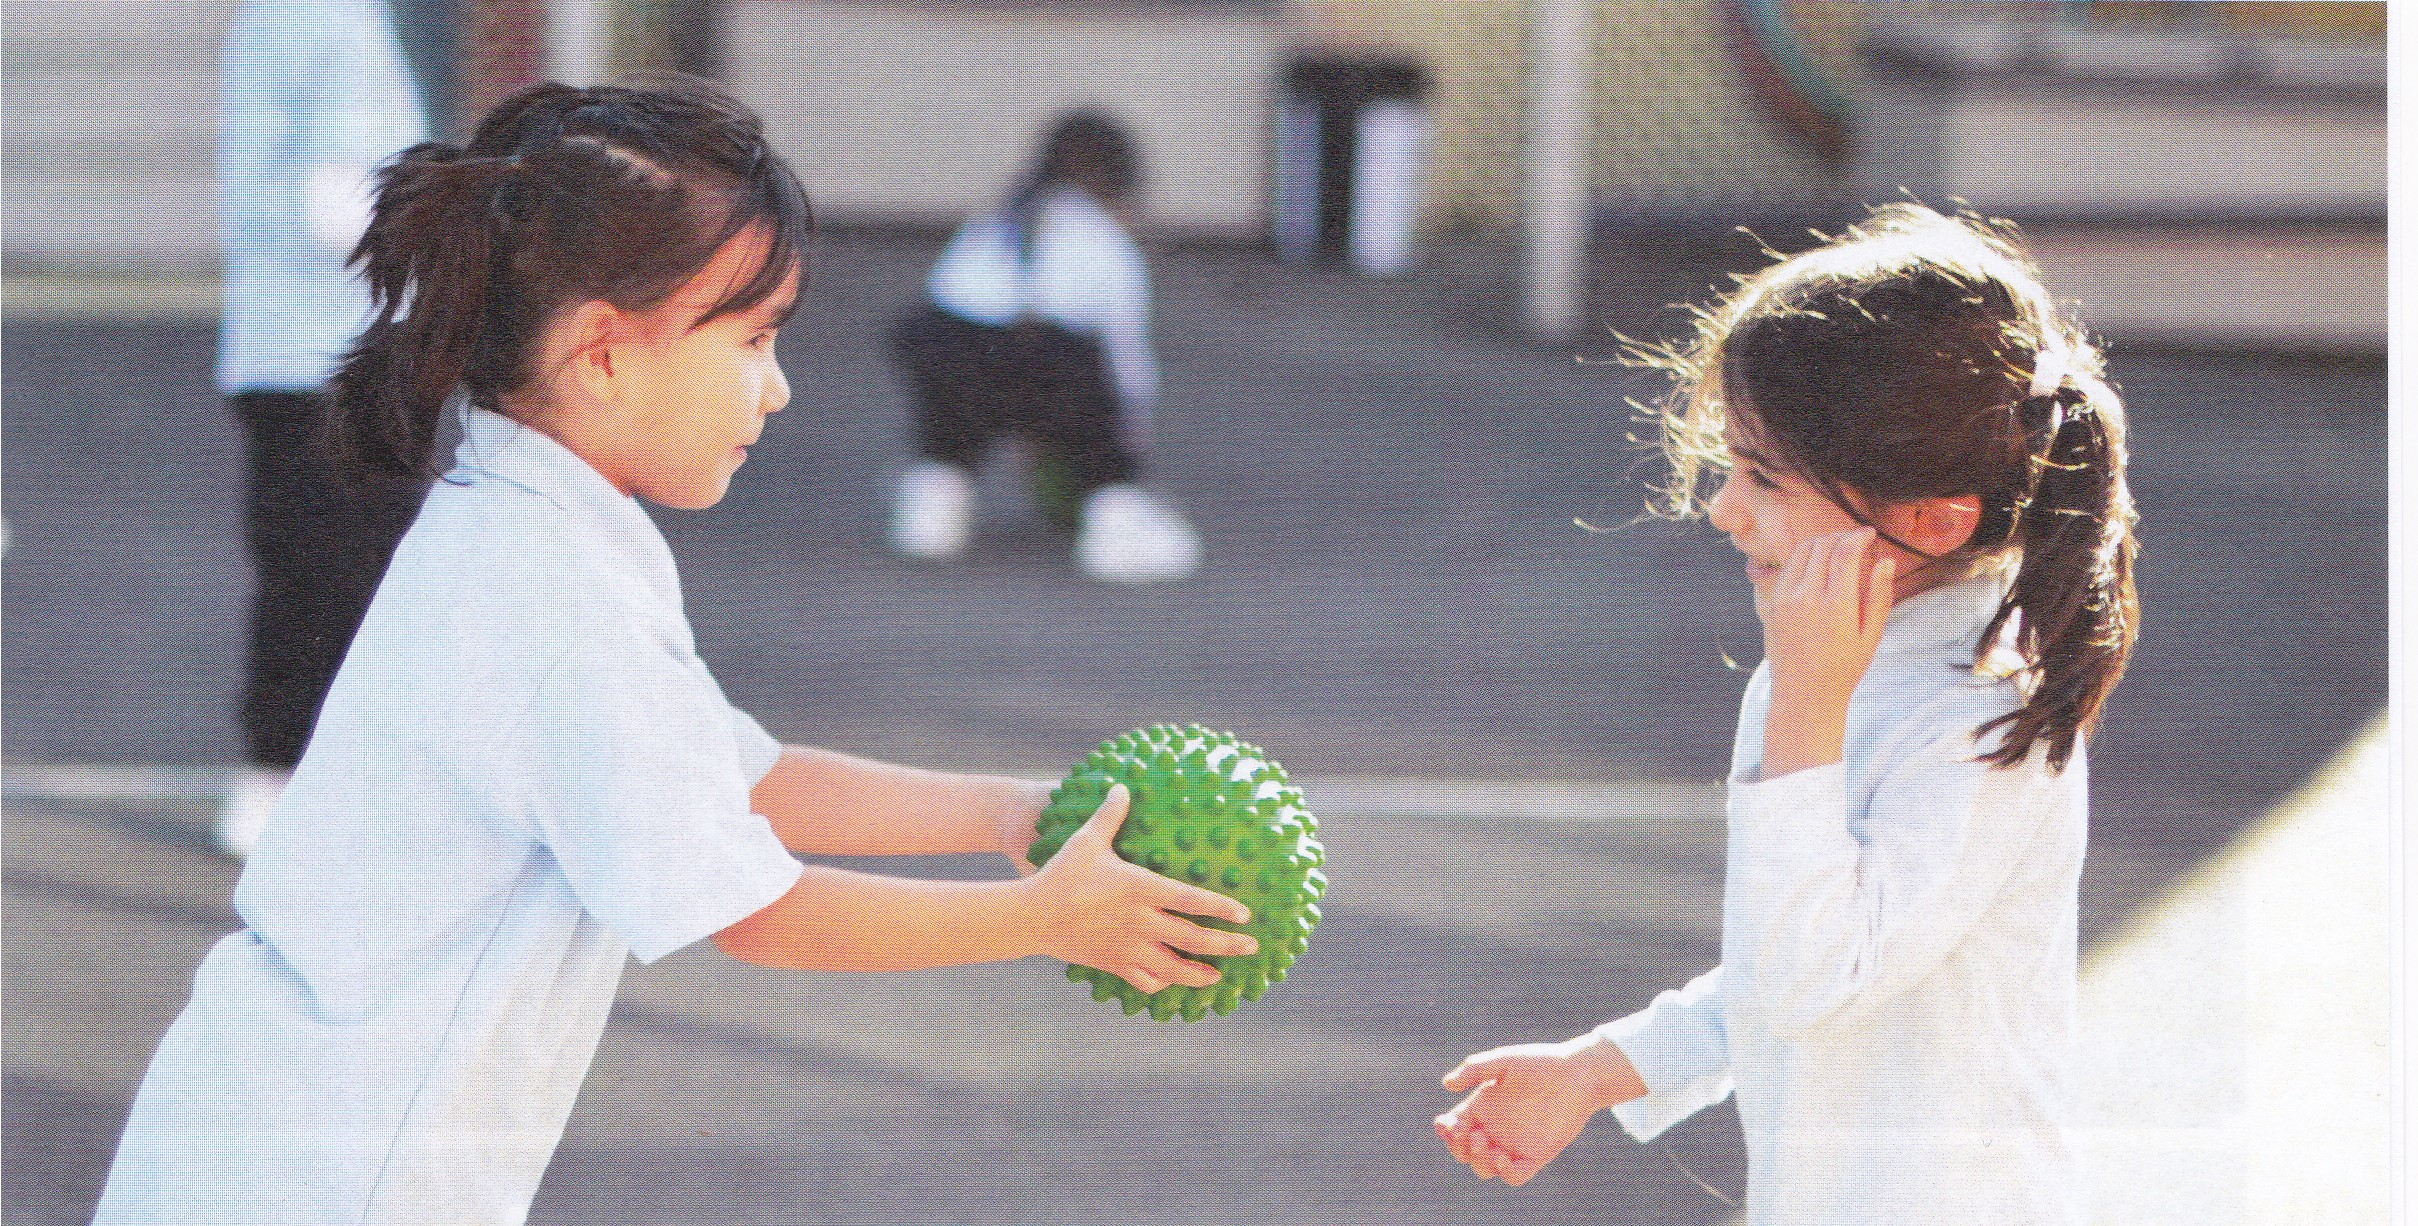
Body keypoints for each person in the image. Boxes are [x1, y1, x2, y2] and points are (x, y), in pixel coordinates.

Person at [94, 79, 1256, 1225]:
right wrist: (1044, 918)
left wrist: (1010, 813)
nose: (781, 384)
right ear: (603, 354)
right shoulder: (548, 594)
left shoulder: (541, 526)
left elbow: (740, 778)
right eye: (750, 338)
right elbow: (755, 907)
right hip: (321, 1181)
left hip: (274, 1144)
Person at [1433, 203, 2140, 1224]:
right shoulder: (1840, 663)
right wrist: (1599, 1068)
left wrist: (1808, 701)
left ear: (1932, 519)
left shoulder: (1979, 713)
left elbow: (1815, 976)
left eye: (1763, 476)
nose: (1724, 507)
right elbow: (1783, 958)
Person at [213, 0, 435, 859]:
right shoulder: (330, 20)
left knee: (309, 572)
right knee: (343, 579)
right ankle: (296, 781)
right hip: (337, 354)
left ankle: (284, 775)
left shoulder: (288, 15)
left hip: (291, 348)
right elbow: (341, 203)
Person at [886, 108, 1202, 582]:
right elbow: (1126, 358)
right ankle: (1113, 523)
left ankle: (933, 506)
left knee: (953, 411)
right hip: (1055, 363)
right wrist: (1126, 441)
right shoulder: (1108, 242)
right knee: (1094, 410)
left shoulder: (992, 225)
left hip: (949, 349)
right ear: (1119, 185)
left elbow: (938, 302)